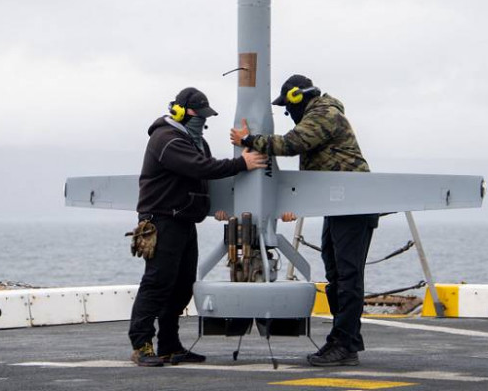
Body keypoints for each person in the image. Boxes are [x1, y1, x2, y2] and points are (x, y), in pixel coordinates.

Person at [229, 74, 376, 367]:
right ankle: (346, 341)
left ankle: (344, 344)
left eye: (288, 106)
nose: (288, 113)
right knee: (337, 277)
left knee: (347, 278)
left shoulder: (324, 114)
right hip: (340, 207)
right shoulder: (322, 114)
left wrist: (248, 140)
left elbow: (292, 144)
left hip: (354, 207)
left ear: (299, 97)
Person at [129, 87, 268, 367]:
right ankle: (141, 345)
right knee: (157, 284)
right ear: (179, 111)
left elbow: (204, 175)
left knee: (181, 287)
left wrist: (212, 206)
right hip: (162, 221)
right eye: (198, 115)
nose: (202, 121)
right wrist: (242, 163)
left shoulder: (195, 141)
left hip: (183, 221)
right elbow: (200, 168)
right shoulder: (165, 139)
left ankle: (169, 345)